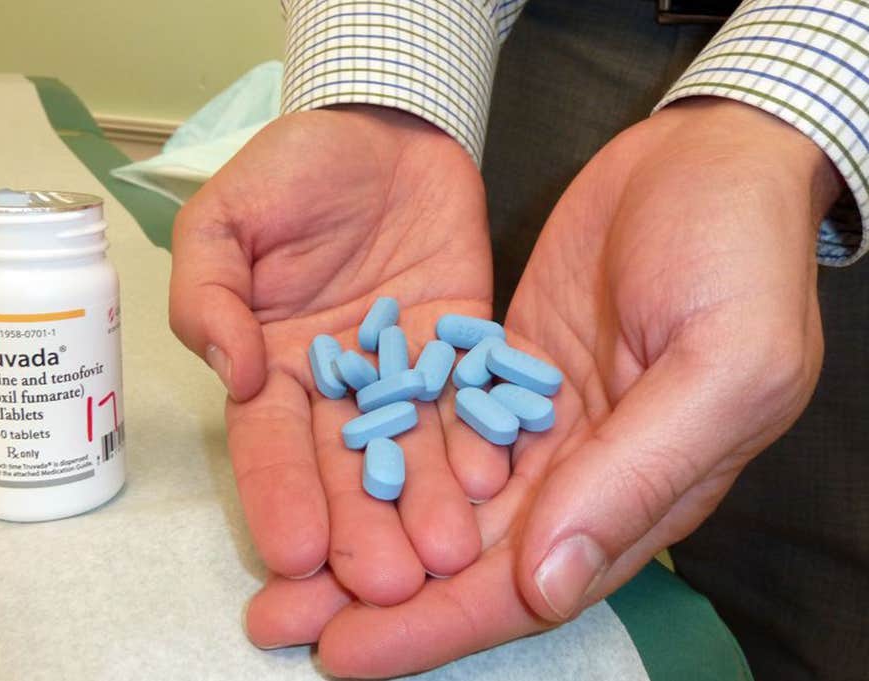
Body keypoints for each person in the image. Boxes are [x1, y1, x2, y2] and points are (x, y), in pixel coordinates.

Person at [169, 1, 868, 679]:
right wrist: (382, 100)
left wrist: (793, 106)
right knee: (507, 502)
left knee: (812, 618)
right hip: (558, 44)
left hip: (840, 98)